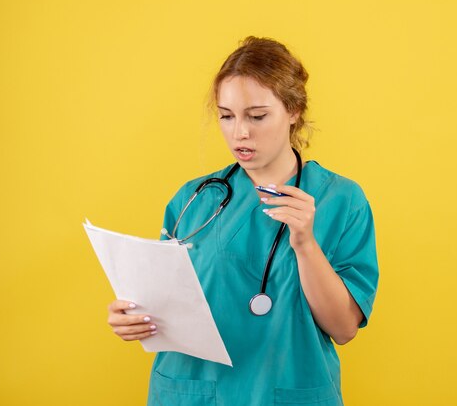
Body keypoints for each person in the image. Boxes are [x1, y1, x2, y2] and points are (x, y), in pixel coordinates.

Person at [107, 36, 379, 406]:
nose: (240, 133)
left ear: (294, 110)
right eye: (226, 115)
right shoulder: (194, 199)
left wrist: (305, 244)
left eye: (257, 116)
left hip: (287, 391)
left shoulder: (342, 200)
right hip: (193, 391)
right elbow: (165, 299)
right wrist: (134, 317)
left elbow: (344, 328)